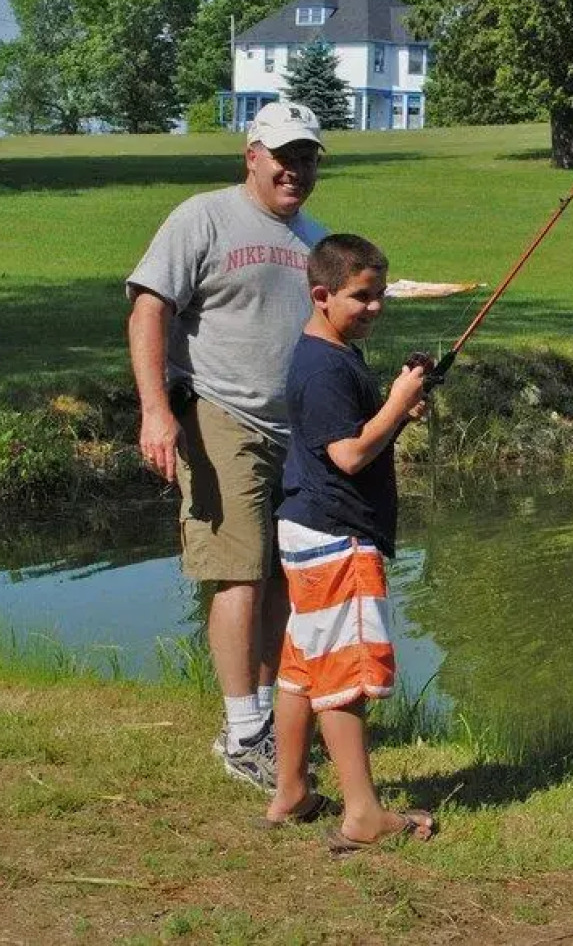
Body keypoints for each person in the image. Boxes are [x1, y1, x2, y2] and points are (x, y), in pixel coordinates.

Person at [126, 101, 328, 787]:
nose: (294, 170)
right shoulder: (203, 217)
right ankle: (242, 733)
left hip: (295, 430)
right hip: (218, 415)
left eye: (306, 158)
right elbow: (148, 307)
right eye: (283, 156)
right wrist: (156, 411)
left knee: (280, 578)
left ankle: (264, 720)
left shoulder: (314, 239)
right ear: (252, 156)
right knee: (238, 569)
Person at [263, 233, 437, 850]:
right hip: (336, 536)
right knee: (344, 672)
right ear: (321, 294)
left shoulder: (329, 353)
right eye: (362, 297)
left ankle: (291, 791)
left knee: (302, 668)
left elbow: (355, 433)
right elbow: (351, 452)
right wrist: (395, 403)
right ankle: (363, 815)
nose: (376, 308)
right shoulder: (322, 367)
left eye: (381, 295)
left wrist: (396, 407)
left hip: (307, 528)